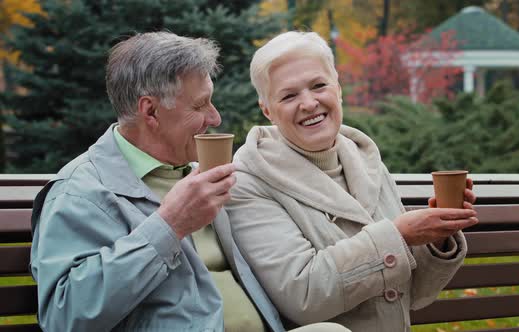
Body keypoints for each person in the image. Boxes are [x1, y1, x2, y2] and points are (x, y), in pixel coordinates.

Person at [30, 31, 349, 332]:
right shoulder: (80, 192)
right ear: (150, 111)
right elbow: (63, 316)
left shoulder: (198, 171)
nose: (215, 118)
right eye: (200, 105)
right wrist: (169, 225)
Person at [223, 31, 479, 332]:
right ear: (267, 109)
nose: (308, 103)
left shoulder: (367, 161)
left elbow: (413, 297)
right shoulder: (250, 181)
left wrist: (436, 238)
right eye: (289, 95)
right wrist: (399, 235)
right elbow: (305, 296)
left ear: (338, 89)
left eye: (319, 86)